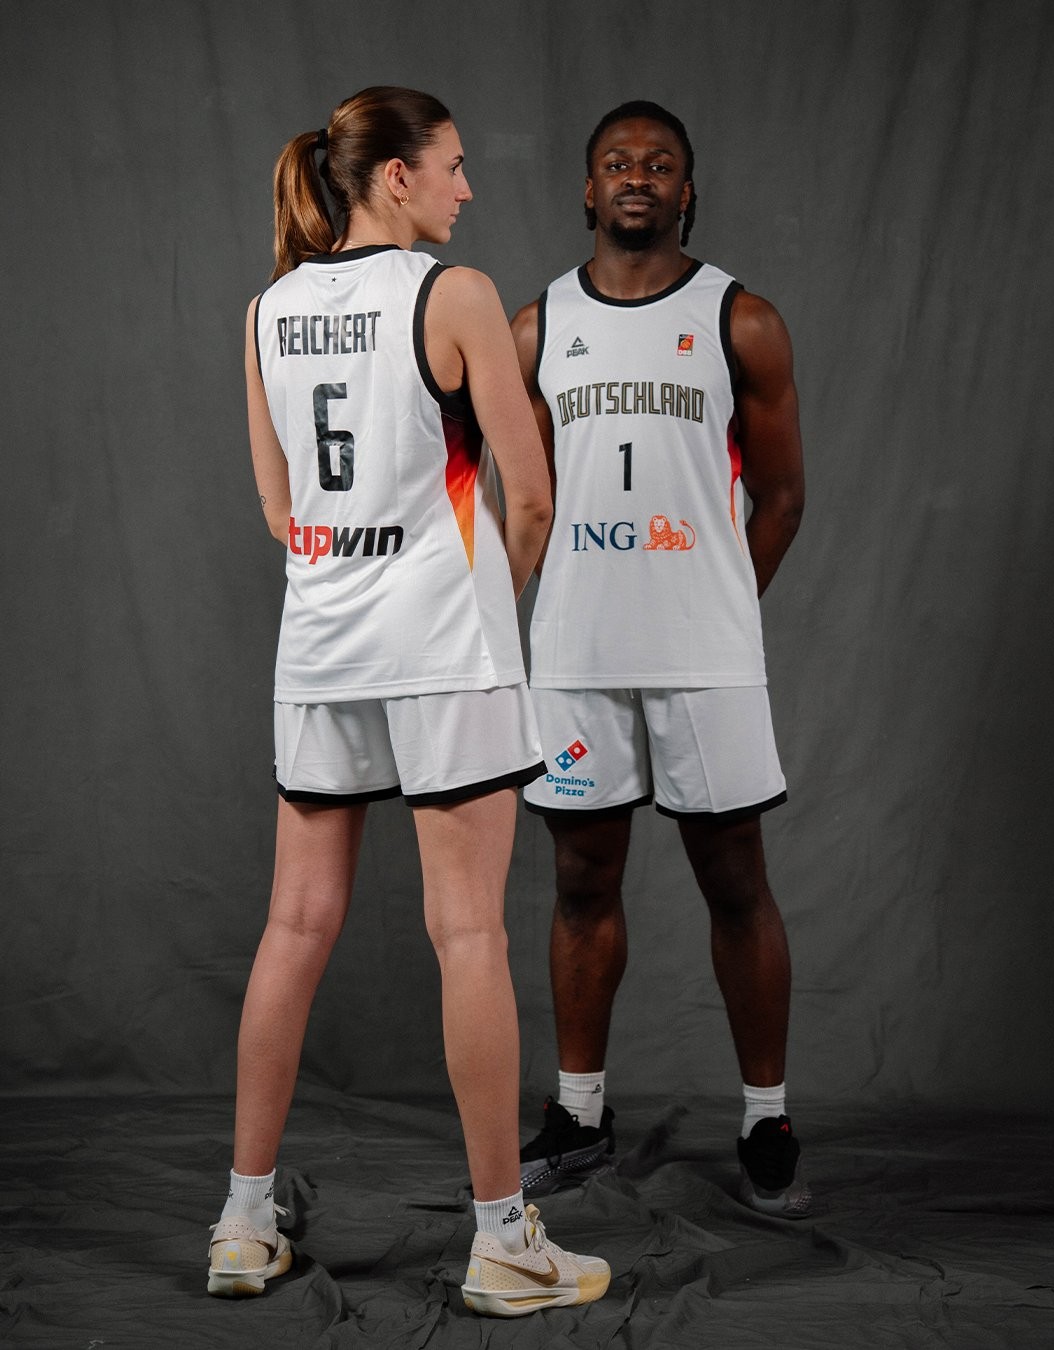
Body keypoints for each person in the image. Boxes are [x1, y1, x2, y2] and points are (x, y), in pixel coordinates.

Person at [207, 86, 610, 1317]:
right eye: (453, 165)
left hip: (320, 651)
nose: (466, 188)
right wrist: (483, 602)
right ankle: (503, 1242)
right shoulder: (457, 295)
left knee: (293, 927)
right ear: (394, 176)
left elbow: (281, 508)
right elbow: (530, 497)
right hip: (444, 649)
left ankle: (241, 1223)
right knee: (469, 933)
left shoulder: (267, 309)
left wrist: (353, 574)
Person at [512, 101, 810, 1218]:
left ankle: (767, 1116)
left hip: (703, 657)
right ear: (587, 190)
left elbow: (782, 498)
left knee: (736, 883)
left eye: (660, 163)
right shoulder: (535, 328)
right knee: (581, 882)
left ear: (689, 192)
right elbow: (520, 501)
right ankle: (580, 1113)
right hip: (576, 652)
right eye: (616, 162)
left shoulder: (743, 321)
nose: (637, 176)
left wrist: (715, 606)